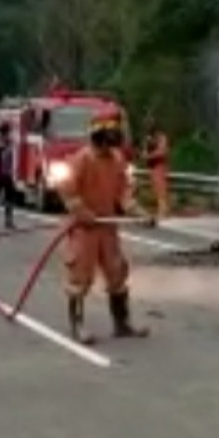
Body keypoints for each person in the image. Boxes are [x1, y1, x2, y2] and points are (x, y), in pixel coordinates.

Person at [57, 108, 151, 344]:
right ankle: (78, 327)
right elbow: (68, 191)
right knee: (81, 276)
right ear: (99, 134)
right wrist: (82, 212)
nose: (115, 138)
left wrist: (139, 213)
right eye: (112, 133)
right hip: (85, 229)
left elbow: (124, 194)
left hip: (107, 227)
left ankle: (122, 323)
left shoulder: (117, 160)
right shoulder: (82, 159)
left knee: (117, 273)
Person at [142, 117, 171, 222]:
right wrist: (145, 154)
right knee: (156, 189)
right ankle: (161, 209)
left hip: (160, 165)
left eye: (149, 125)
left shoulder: (161, 137)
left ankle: (163, 211)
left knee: (160, 188)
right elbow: (145, 150)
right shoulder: (147, 138)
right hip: (152, 166)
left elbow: (163, 151)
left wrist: (149, 156)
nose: (148, 127)